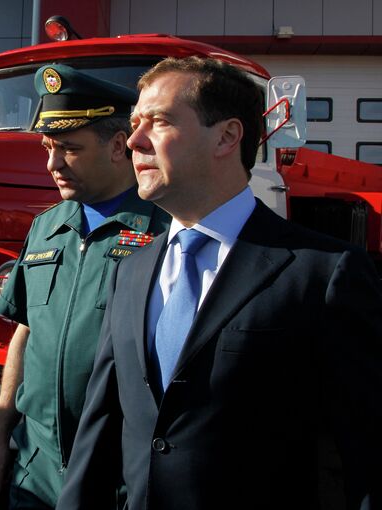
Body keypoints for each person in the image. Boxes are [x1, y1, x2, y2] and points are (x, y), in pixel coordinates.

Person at [57, 56, 382, 510]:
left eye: (159, 122)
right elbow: (100, 429)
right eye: (134, 124)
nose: (133, 140)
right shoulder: (129, 272)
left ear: (227, 136)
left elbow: (367, 451)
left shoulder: (323, 272)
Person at [0, 64, 170, 509]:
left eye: (69, 148)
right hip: (36, 467)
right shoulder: (47, 227)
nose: (52, 164)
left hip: (116, 477)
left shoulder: (165, 233)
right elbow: (25, 334)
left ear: (119, 146)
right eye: (48, 147)